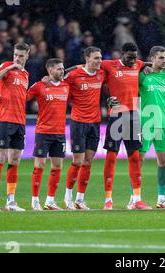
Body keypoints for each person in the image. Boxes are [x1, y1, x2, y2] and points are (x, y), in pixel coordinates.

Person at [101, 42, 151, 210]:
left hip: (133, 116)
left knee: (135, 157)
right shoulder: (109, 65)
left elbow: (156, 63)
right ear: (122, 54)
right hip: (116, 115)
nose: (132, 61)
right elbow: (89, 66)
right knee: (111, 157)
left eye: (134, 57)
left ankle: (136, 199)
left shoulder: (139, 64)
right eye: (129, 57)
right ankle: (108, 199)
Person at [129, 46, 165, 209]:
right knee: (138, 161)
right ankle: (134, 199)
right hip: (144, 123)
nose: (164, 61)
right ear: (152, 59)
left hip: (161, 124)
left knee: (163, 162)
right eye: (161, 58)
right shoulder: (142, 76)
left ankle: (161, 199)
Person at [0, 42, 30, 212]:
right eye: (15, 55)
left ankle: (11, 201)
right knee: (0, 159)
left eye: (20, 55)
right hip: (4, 119)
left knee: (14, 160)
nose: (17, 58)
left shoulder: (26, 74)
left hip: (20, 121)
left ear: (27, 55)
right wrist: (9, 67)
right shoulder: (6, 66)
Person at [63, 46, 106, 210]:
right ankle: (68, 197)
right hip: (78, 122)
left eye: (100, 58)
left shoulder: (101, 74)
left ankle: (80, 200)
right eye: (96, 58)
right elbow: (58, 81)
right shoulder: (74, 75)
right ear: (87, 58)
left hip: (95, 123)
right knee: (78, 161)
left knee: (88, 161)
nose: (99, 61)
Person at [27, 58, 69, 211]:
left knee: (57, 166)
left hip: (59, 133)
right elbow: (24, 98)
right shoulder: (39, 86)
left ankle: (50, 201)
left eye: (63, 68)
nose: (62, 71)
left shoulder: (66, 86)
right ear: (50, 71)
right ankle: (35, 200)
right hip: (43, 132)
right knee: (40, 165)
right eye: (58, 69)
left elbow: (75, 71)